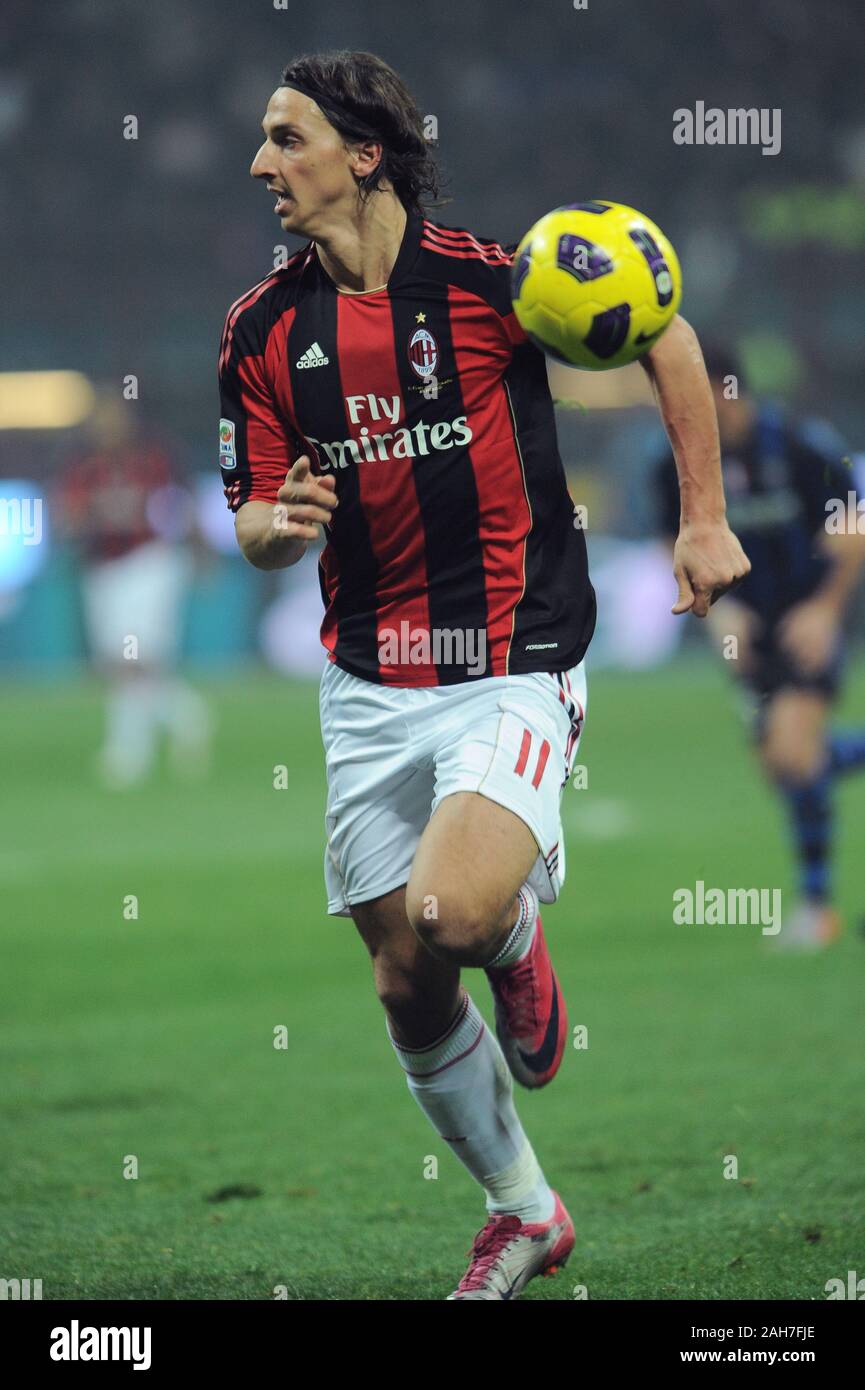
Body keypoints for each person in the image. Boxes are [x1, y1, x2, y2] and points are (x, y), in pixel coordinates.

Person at [218, 49, 748, 1300]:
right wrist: (277, 525)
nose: (260, 165)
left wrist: (700, 516)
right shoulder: (261, 328)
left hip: (514, 655)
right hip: (366, 682)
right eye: (259, 139)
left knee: (450, 915)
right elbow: (248, 518)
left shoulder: (495, 280)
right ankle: (524, 1211)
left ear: (364, 153)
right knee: (402, 975)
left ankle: (513, 942)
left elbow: (664, 338)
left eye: (286, 138)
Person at [654, 344, 865, 948]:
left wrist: (825, 611)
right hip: (747, 636)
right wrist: (718, 617)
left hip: (807, 621)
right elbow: (672, 553)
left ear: (725, 390)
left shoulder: (801, 444)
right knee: (784, 764)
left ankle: (817, 908)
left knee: (797, 756)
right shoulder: (675, 464)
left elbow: (853, 522)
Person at [60, 396, 212, 787]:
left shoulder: (153, 459)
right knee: (118, 663)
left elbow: (184, 502)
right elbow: (67, 518)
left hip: (149, 564)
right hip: (103, 570)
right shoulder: (84, 469)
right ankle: (186, 716)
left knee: (137, 659)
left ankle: (128, 752)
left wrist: (199, 549)